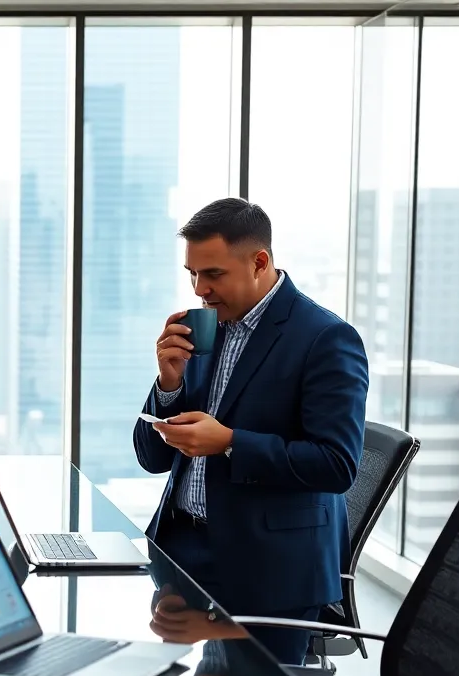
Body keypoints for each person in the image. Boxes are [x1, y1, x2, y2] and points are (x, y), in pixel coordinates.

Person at [133, 198, 368, 637]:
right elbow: (152, 458)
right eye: (193, 274)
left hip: (268, 570)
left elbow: (336, 465)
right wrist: (169, 384)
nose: (200, 289)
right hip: (179, 550)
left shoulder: (326, 338)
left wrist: (228, 442)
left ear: (259, 262)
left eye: (213, 274)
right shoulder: (206, 326)